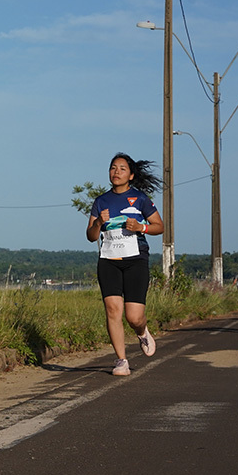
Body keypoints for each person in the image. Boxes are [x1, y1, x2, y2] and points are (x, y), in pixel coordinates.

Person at [85, 153, 164, 376]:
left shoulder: (140, 199)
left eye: (122, 168)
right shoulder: (101, 201)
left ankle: (142, 331)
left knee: (133, 317)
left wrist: (141, 227)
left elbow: (159, 226)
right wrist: (98, 223)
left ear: (131, 175)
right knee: (112, 309)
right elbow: (91, 236)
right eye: (113, 168)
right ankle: (121, 360)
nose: (116, 172)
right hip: (108, 260)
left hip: (135, 261)